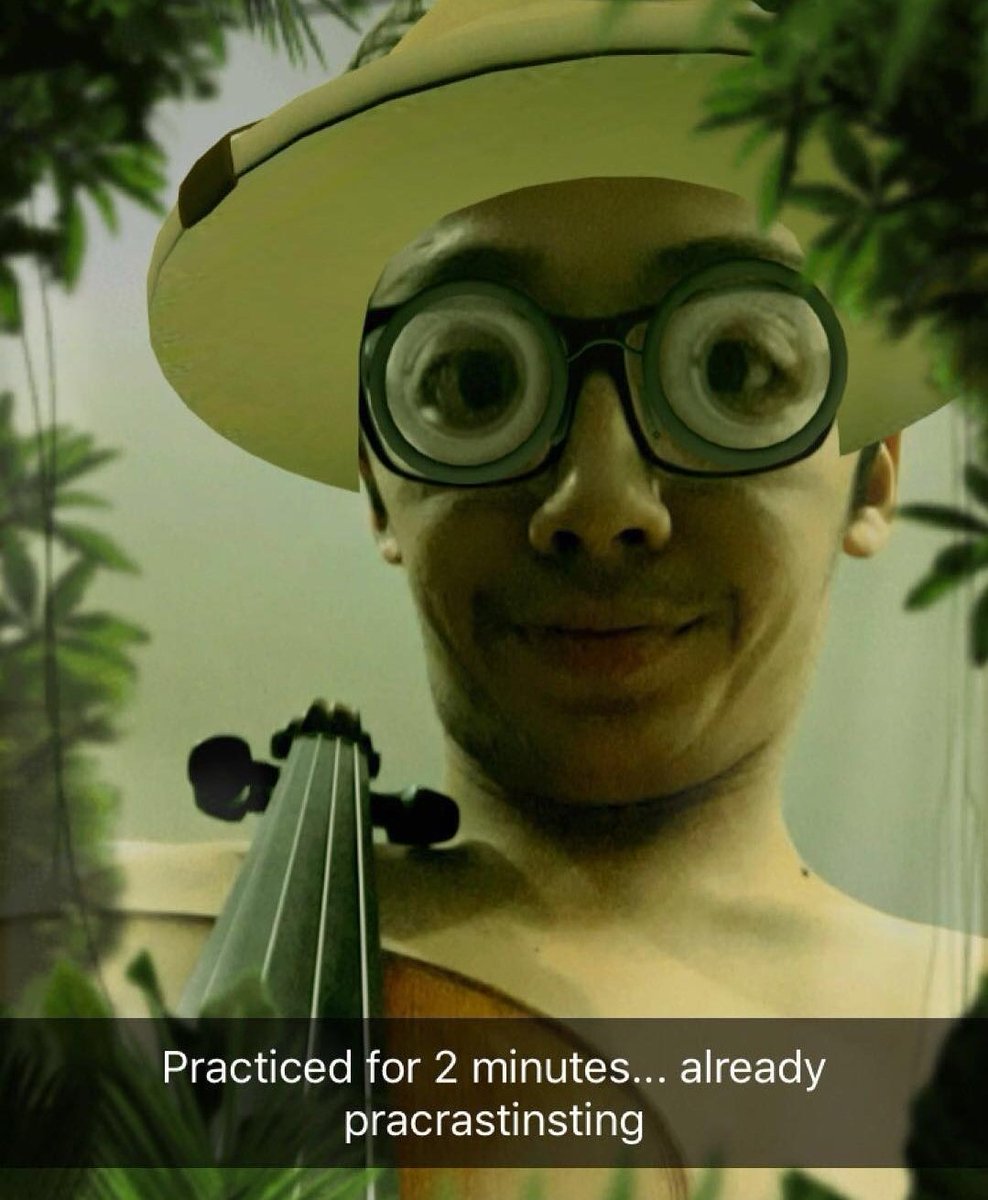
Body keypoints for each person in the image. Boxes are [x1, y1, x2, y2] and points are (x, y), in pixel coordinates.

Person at [135, 1, 985, 1196]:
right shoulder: (101, 952)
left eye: (733, 368)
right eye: (476, 380)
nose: (600, 498)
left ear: (872, 472)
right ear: (380, 483)